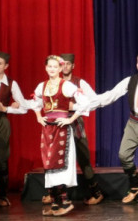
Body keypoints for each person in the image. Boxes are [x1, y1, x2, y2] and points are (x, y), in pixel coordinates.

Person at [93, 50, 138, 203]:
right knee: (123, 155)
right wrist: (92, 102)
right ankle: (134, 186)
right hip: (132, 122)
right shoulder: (130, 80)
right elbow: (111, 95)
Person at [31, 55, 91, 216]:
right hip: (47, 130)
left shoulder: (66, 85)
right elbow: (35, 101)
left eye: (55, 67)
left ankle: (64, 201)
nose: (52, 69)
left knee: (59, 164)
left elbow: (85, 102)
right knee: (49, 163)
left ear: (60, 68)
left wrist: (70, 119)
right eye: (49, 66)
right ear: (46, 68)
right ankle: (55, 203)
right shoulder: (42, 86)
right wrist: (38, 116)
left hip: (61, 129)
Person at [45, 52, 105, 206]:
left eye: (68, 64)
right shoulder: (53, 83)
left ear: (73, 66)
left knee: (83, 157)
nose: (65, 67)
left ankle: (96, 192)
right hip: (57, 124)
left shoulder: (79, 83)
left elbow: (94, 101)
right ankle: (56, 193)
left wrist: (74, 106)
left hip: (74, 122)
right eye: (62, 64)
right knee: (57, 157)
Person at [0, 51, 28, 207]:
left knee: (1, 159)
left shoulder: (11, 83)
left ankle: (2, 195)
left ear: (6, 66)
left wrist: (7, 108)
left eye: (0, 63)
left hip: (1, 122)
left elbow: (23, 108)